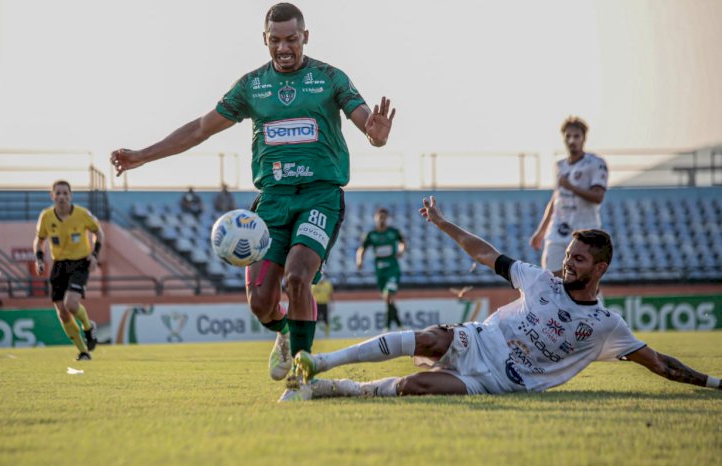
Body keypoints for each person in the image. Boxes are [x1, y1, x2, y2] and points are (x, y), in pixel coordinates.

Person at [110, 3, 396, 401]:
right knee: (261, 303)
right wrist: (143, 155)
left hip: (320, 196)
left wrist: (375, 134)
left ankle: (302, 378)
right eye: (275, 40)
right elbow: (199, 129)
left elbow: (366, 120)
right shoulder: (251, 87)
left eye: (291, 39)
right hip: (273, 202)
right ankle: (282, 332)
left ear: (305, 38)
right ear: (265, 40)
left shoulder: (330, 78)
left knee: (298, 277)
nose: (283, 48)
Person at [290, 196, 722, 399]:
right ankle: (320, 362)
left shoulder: (606, 325)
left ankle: (336, 389)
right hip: (477, 339)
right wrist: (442, 223)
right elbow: (485, 253)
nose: (569, 265)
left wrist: (714, 383)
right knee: (430, 338)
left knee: (416, 385)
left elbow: (659, 363)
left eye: (579, 261)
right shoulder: (539, 280)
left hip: (497, 383)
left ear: (600, 269)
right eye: (569, 256)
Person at [530, 117, 608, 276]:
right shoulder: (560, 165)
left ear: (584, 138)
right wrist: (541, 231)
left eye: (576, 136)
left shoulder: (596, 163)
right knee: (551, 278)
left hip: (586, 230)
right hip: (558, 230)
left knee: (584, 280)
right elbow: (556, 198)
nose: (571, 140)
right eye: (568, 136)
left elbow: (598, 196)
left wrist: (572, 187)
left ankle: (595, 301)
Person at [33, 180, 102, 360]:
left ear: (71, 195)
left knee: (71, 304)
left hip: (79, 263)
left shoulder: (81, 214)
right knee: (62, 312)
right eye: (58, 193)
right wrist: (39, 260)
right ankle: (83, 352)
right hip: (59, 265)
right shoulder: (46, 216)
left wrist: (95, 254)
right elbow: (39, 240)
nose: (62, 197)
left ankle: (88, 327)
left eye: (65, 193)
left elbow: (98, 232)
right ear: (52, 195)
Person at [356, 207, 406, 331]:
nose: (382, 220)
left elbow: (402, 242)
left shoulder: (393, 232)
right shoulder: (371, 234)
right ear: (375, 218)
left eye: (384, 217)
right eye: (380, 217)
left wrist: (401, 250)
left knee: (389, 295)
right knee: (388, 299)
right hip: (380, 271)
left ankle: (387, 327)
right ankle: (400, 325)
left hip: (393, 269)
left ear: (387, 219)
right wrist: (359, 260)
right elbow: (362, 249)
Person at [311, 273, 334, 337]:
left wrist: (332, 304)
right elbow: (311, 295)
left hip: (325, 304)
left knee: (326, 320)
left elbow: (330, 294)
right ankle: (313, 335)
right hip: (317, 304)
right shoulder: (314, 285)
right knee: (314, 320)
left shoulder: (328, 284)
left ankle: (327, 336)